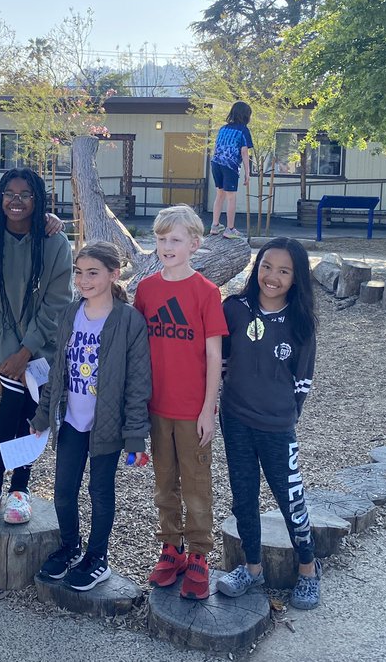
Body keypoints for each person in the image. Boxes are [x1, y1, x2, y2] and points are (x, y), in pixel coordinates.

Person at [32, 242, 151, 591]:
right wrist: (43, 415)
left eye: (93, 273)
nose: (83, 280)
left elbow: (138, 382)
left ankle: (98, 558)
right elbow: (58, 371)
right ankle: (70, 547)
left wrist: (134, 435)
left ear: (114, 274)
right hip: (71, 421)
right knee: (63, 491)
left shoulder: (129, 321)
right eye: (79, 272)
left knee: (100, 492)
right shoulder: (70, 313)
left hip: (107, 426)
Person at [217, 236, 322, 610]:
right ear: (256, 267)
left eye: (283, 270)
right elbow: (222, 361)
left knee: (290, 497)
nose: (272, 276)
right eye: (266, 266)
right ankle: (252, 567)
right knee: (243, 496)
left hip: (278, 425)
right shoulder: (234, 308)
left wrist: (285, 412)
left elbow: (302, 380)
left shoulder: (300, 321)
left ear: (296, 278)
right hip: (235, 419)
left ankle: (308, 568)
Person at [0, 168, 73, 525]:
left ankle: (20, 489)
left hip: (43, 348)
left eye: (25, 194)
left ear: (38, 199)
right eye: (9, 193)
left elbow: (57, 303)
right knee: (8, 410)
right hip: (5, 347)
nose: (16, 200)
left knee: (32, 416)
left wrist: (26, 352)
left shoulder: (55, 242)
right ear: (0, 196)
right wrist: (8, 352)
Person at [133, 204, 227, 600]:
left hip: (192, 410)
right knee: (164, 484)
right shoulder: (147, 290)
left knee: (196, 485)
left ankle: (200, 554)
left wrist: (208, 409)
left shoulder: (205, 292)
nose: (167, 246)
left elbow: (213, 356)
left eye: (175, 240)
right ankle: (171, 547)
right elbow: (137, 350)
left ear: (194, 244)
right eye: (160, 239)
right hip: (157, 407)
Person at [209, 101, 254, 240]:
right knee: (231, 197)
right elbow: (244, 152)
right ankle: (230, 228)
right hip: (230, 165)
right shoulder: (243, 130)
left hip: (216, 163)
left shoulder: (223, 129)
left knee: (219, 195)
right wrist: (248, 173)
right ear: (246, 115)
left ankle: (214, 226)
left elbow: (217, 148)